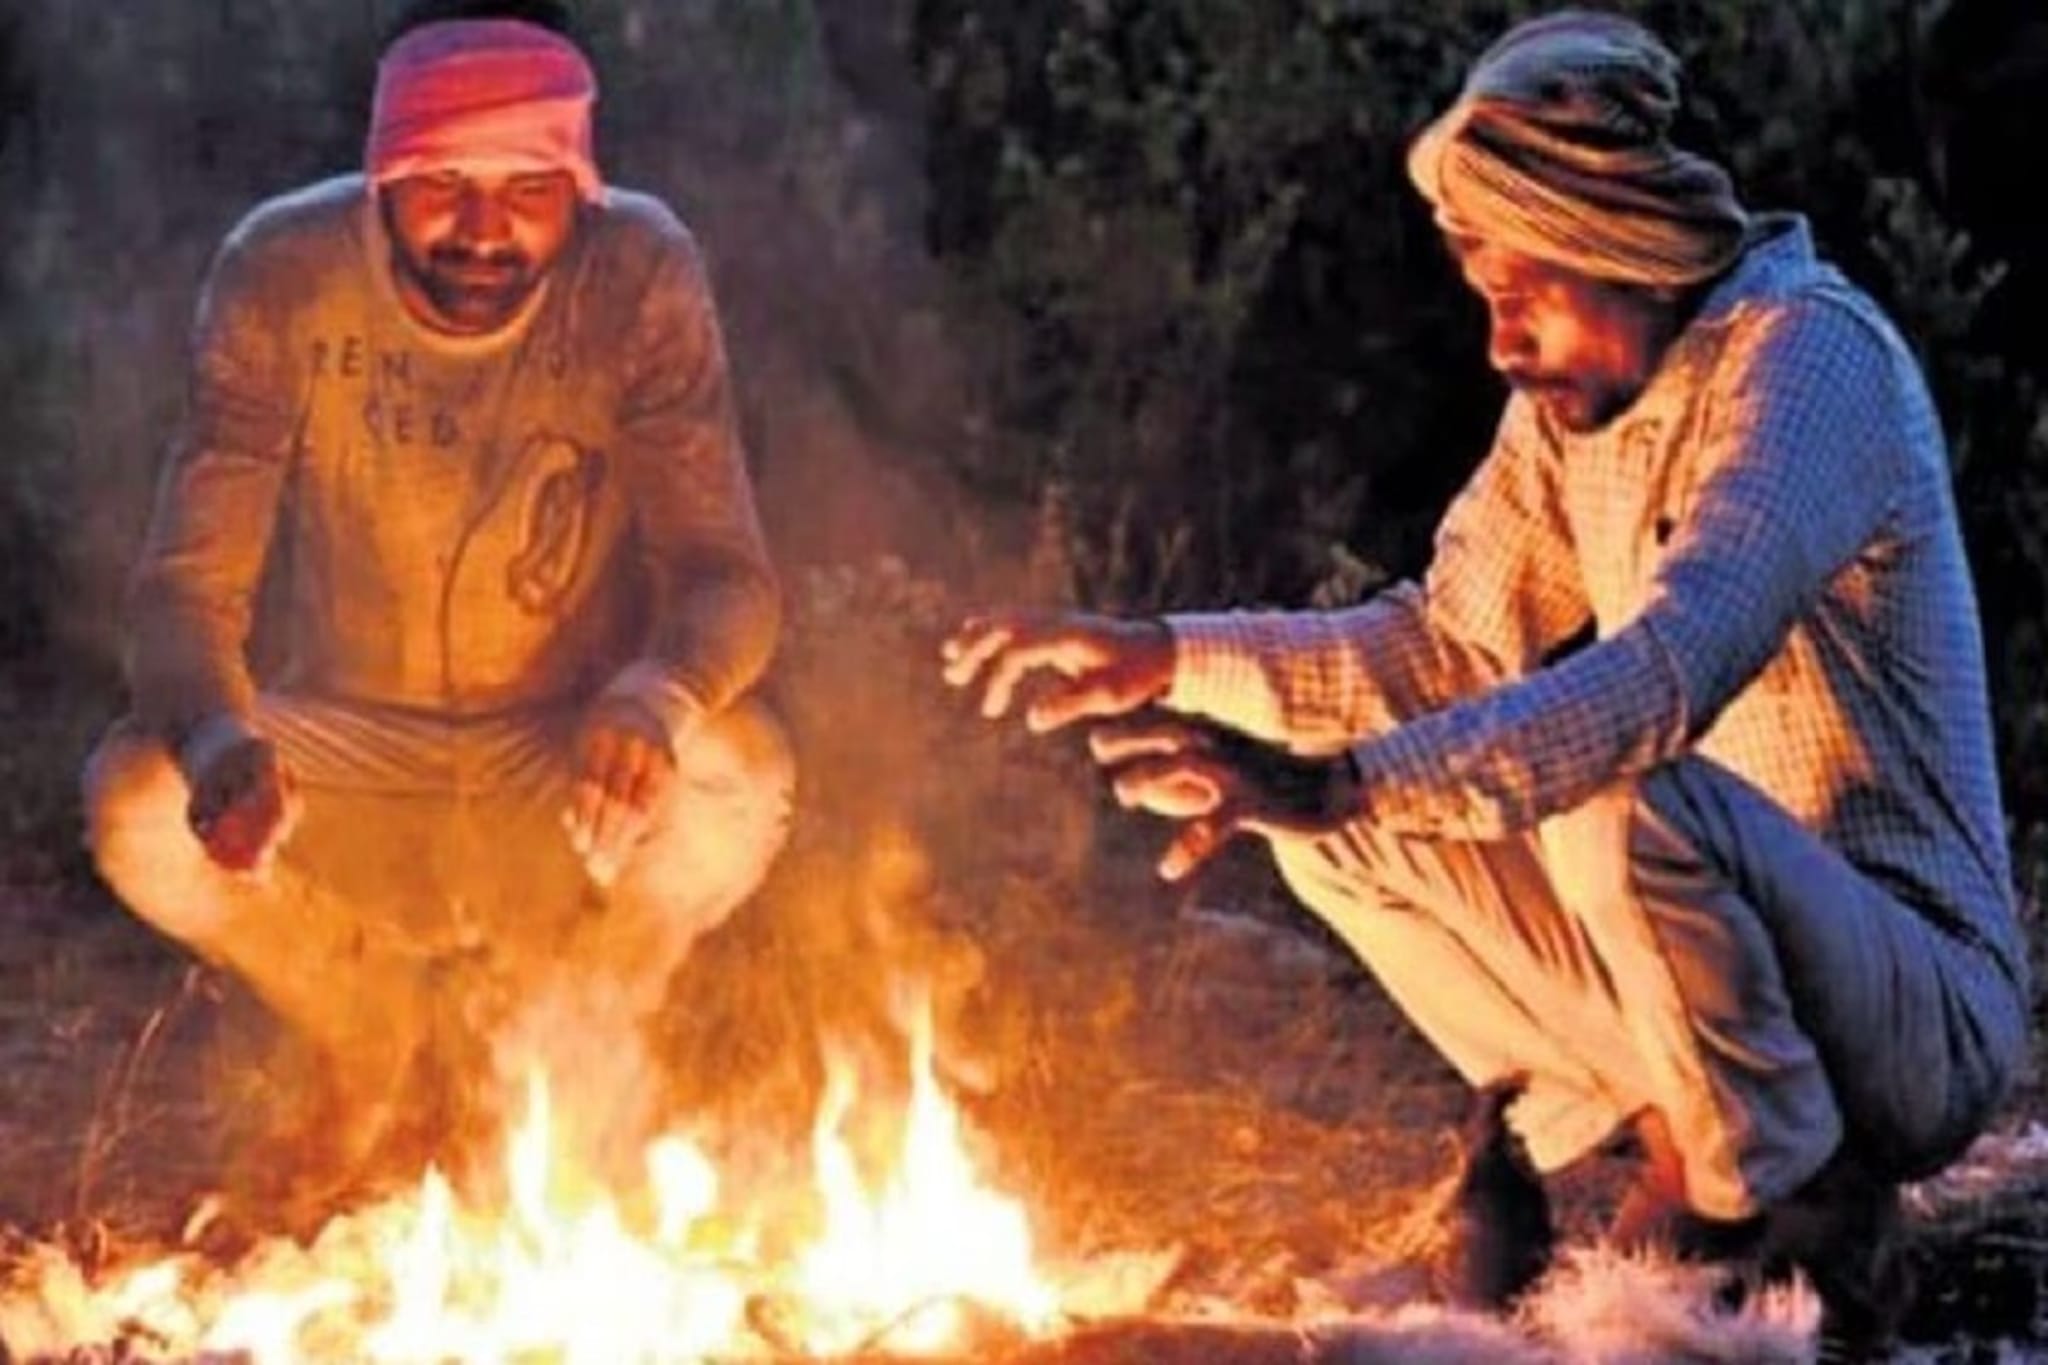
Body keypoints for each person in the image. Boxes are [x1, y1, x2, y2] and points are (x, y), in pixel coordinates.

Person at [943, 10, 2029, 1354]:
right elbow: (1441, 650)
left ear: (1620, 240)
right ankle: (1671, 1137)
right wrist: (1170, 654)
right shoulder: (1575, 408)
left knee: (1610, 799)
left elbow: (1663, 676)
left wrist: (1348, 776)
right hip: (1726, 991)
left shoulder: (1806, 363)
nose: (1501, 344)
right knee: (1336, 835)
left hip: (1912, 1014)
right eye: (1485, 299)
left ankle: (1778, 1212)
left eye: (1524, 293)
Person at [81, 0, 793, 1212]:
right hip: (343, 765)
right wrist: (223, 746)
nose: (482, 229)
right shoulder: (283, 272)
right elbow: (185, 587)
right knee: (137, 799)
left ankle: (581, 1039)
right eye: (441, 184)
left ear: (579, 186)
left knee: (739, 770)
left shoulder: (638, 272)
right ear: (382, 175)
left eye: (528, 188)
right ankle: (360, 1029)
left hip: (561, 765)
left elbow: (729, 579)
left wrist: (651, 699)